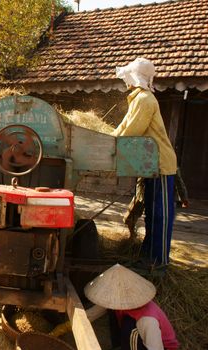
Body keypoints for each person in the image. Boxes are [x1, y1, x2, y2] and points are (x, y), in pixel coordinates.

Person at [112, 58, 178, 268]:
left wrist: (111, 145)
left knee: (160, 216)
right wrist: (106, 139)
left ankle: (159, 262)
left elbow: (132, 132)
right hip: (150, 165)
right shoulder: (137, 98)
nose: (126, 81)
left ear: (134, 77)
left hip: (161, 165)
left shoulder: (145, 100)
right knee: (151, 213)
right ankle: (148, 256)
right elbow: (123, 127)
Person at [85, 264, 179, 350]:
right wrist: (80, 320)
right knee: (113, 311)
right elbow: (99, 309)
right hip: (142, 338)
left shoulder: (147, 319)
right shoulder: (118, 300)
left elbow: (156, 348)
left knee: (129, 325)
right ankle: (119, 346)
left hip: (160, 346)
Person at [124, 168, 188, 240]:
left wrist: (183, 197)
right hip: (142, 194)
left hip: (159, 197)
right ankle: (132, 235)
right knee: (129, 218)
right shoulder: (147, 160)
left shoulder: (170, 163)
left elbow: (179, 181)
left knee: (156, 223)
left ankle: (151, 243)